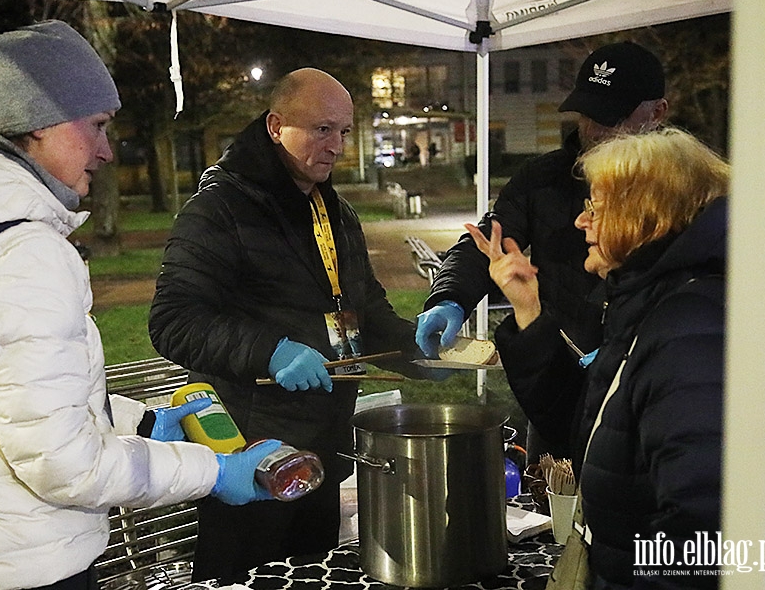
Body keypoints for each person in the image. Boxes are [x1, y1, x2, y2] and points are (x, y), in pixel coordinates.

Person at [0, 8, 281, 590]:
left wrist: (139, 420)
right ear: (38, 123)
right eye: (96, 125)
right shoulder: (22, 255)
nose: (105, 151)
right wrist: (215, 469)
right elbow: (63, 466)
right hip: (19, 565)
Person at [148, 67, 423, 580]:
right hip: (248, 458)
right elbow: (173, 320)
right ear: (276, 126)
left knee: (311, 575)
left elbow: (364, 309)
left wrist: (415, 349)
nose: (338, 145)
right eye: (322, 129)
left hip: (322, 450)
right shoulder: (217, 209)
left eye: (344, 131)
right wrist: (271, 350)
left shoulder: (335, 211)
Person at [466, 128, 727, 588]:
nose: (581, 222)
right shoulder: (646, 303)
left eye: (596, 208)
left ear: (647, 217)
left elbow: (701, 531)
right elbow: (584, 433)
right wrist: (528, 312)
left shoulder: (690, 328)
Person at [415, 41, 669, 460]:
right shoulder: (544, 179)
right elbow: (488, 242)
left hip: (641, 397)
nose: (595, 129)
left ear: (657, 112)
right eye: (588, 113)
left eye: (612, 115)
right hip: (556, 381)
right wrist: (449, 299)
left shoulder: (676, 195)